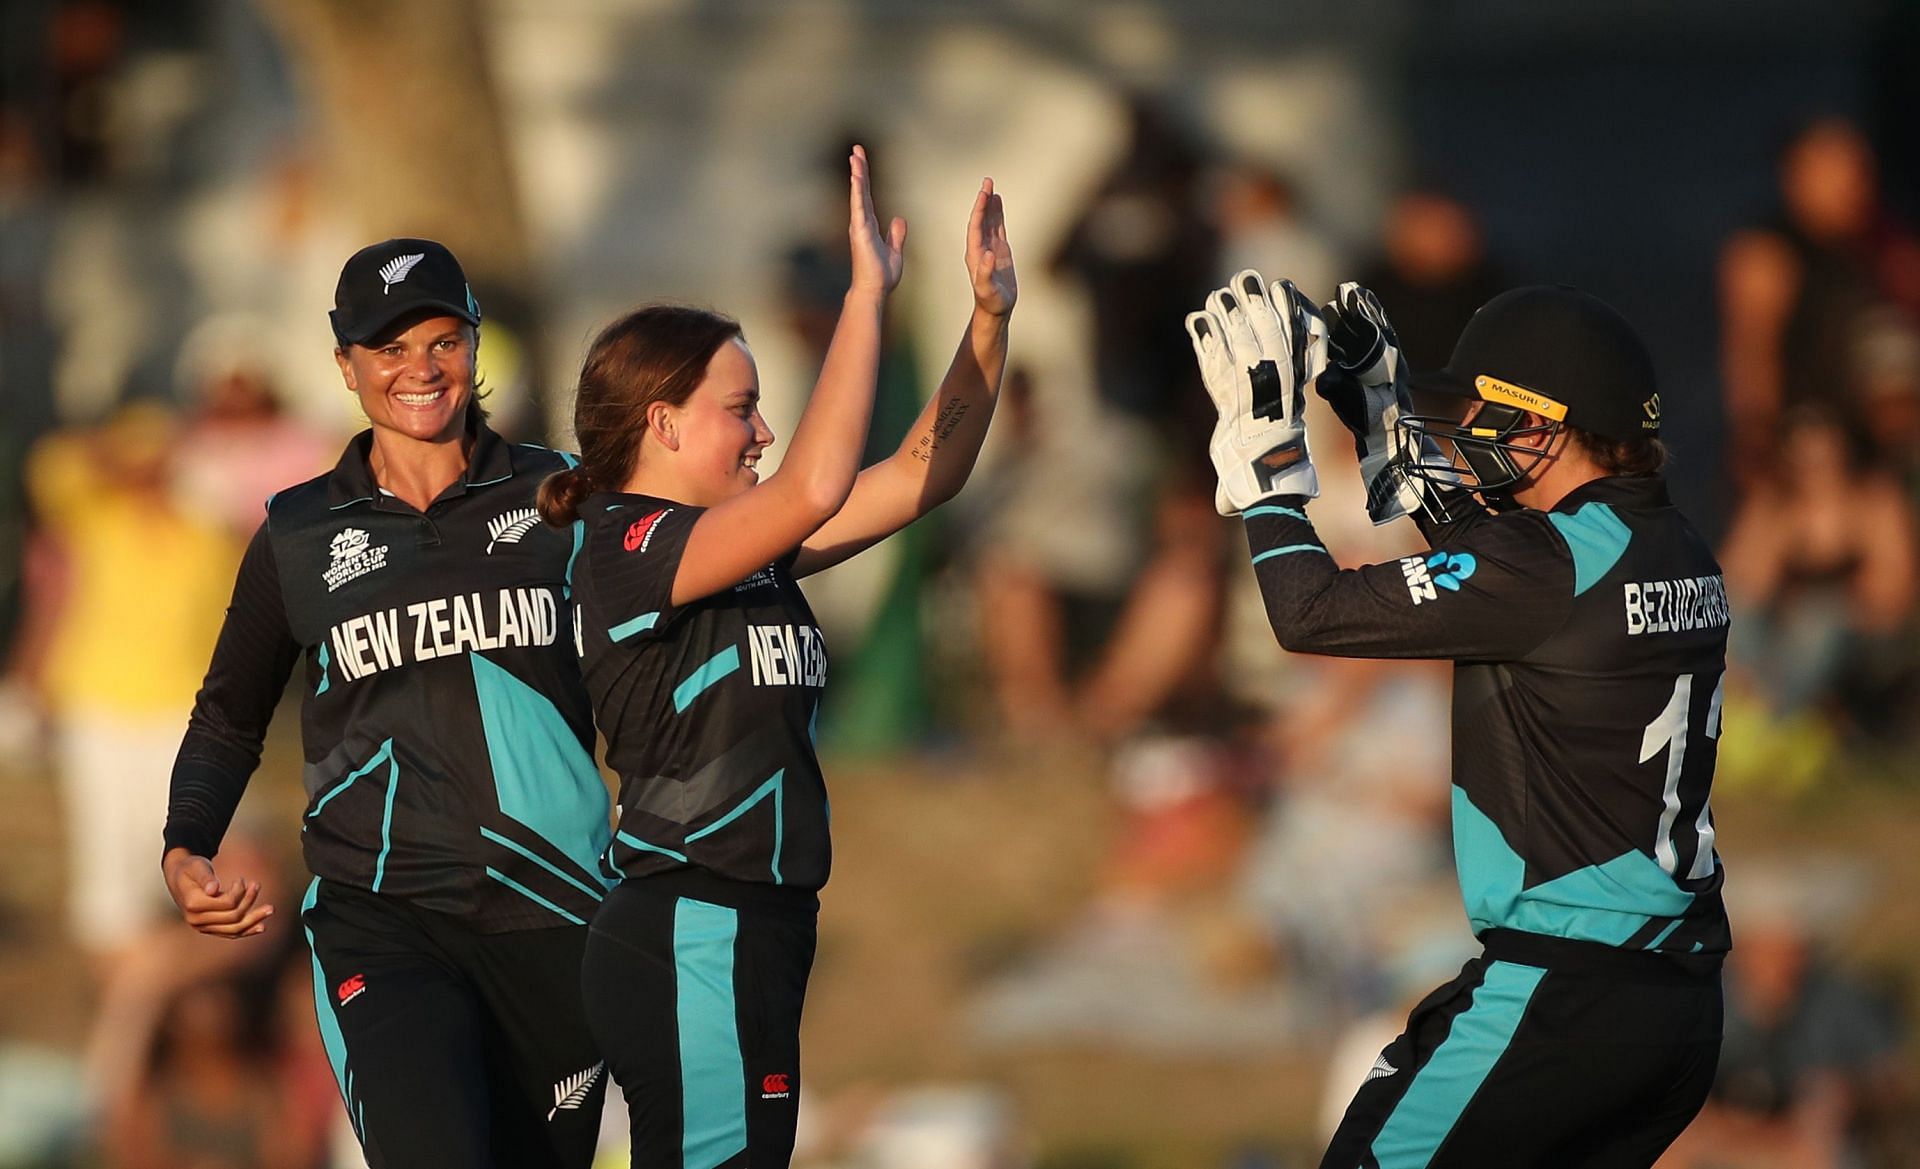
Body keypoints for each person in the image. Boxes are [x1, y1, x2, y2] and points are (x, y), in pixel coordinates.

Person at [535, 145, 1014, 1168]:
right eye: (740, 407)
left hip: (761, 925)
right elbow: (815, 484)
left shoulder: (742, 548)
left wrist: (988, 321)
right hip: (690, 922)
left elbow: (922, 475)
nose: (763, 431)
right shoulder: (629, 546)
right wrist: (863, 301)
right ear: (659, 421)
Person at [1186, 274, 1729, 1167]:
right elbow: (1497, 567)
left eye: (1490, 415)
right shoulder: (1672, 544)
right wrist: (1377, 425)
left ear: (1546, 426)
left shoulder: (1547, 563)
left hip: (1564, 991)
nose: (1467, 432)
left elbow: (1309, 612)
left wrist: (1271, 470)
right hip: (1676, 1002)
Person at [161, 238, 612, 1168]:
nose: (420, 370)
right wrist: (186, 843)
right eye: (389, 349)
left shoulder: (562, 494)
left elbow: (741, 550)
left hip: (557, 910)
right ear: (345, 365)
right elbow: (228, 715)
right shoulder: (297, 530)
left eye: (442, 341)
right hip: (384, 910)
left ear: (477, 344)